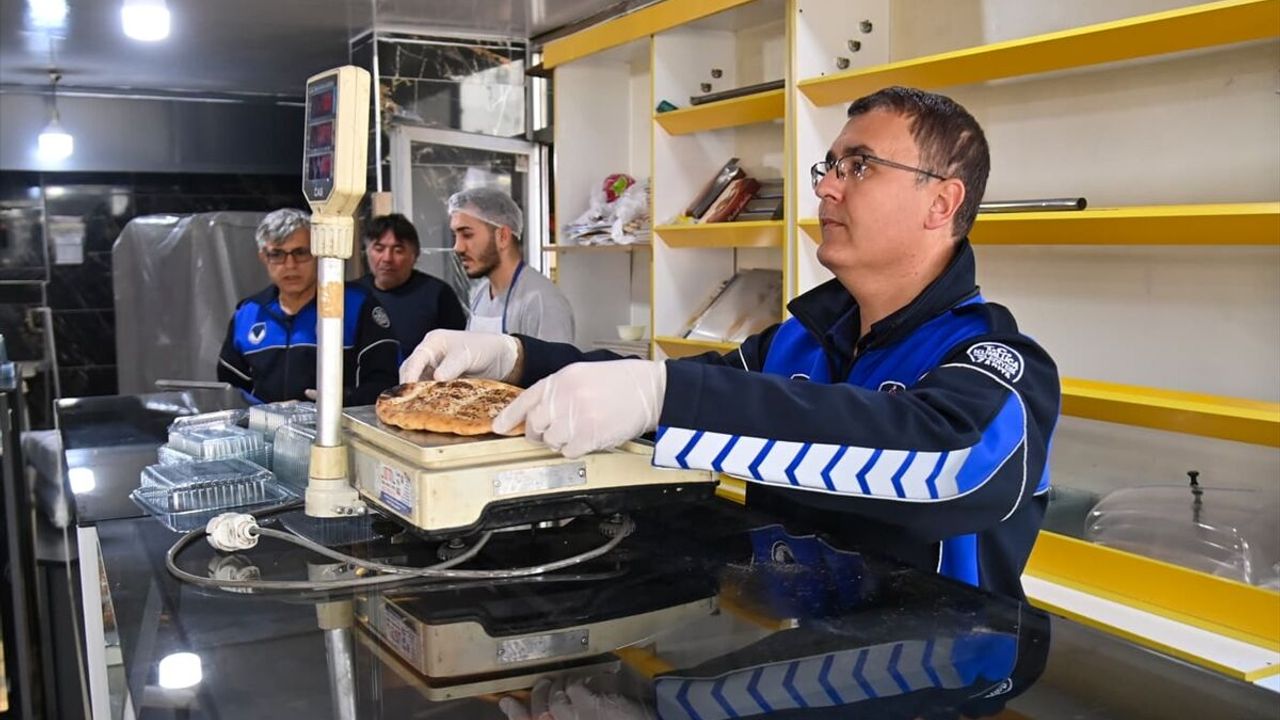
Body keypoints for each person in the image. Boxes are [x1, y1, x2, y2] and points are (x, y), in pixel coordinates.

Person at [401, 87, 1060, 600]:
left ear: (941, 203)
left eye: (860, 166)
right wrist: (517, 359)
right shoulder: (801, 341)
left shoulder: (1000, 365)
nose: (825, 186)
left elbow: (947, 462)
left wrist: (667, 395)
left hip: (936, 678)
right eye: (830, 165)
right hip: (796, 657)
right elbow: (680, 400)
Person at [217, 208, 400, 405]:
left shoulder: (357, 306)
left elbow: (386, 384)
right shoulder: (249, 313)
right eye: (277, 254)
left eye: (301, 252)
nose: (290, 265)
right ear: (264, 257)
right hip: (265, 424)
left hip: (339, 422)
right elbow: (231, 389)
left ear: (318, 254)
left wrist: (338, 401)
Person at [448, 186, 575, 343]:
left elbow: (557, 358)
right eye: (455, 236)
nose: (457, 247)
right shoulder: (481, 294)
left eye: (467, 235)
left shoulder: (542, 301)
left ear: (503, 236)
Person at [358, 213, 467, 352]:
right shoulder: (354, 294)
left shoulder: (438, 295)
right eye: (379, 249)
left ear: (414, 255)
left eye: (398, 250)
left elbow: (458, 349)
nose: (387, 258)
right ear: (367, 251)